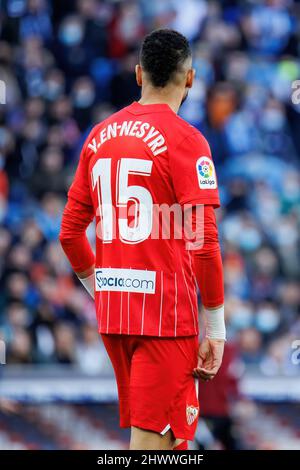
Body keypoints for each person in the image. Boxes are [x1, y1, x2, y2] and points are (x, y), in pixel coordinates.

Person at [59, 29, 226, 451]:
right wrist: (217, 329)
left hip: (117, 317)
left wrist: (102, 288)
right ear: (190, 79)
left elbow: (69, 233)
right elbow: (205, 244)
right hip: (166, 321)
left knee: (171, 444)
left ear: (138, 74)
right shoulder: (188, 140)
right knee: (153, 446)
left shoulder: (98, 136)